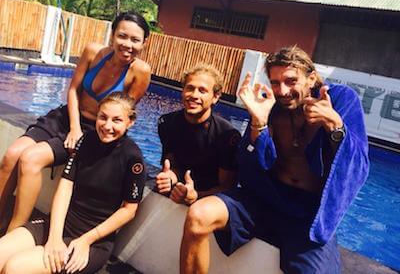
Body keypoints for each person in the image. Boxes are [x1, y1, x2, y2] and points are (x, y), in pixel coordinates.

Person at [180, 46, 369, 273]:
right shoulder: (271, 107)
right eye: (275, 82)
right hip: (264, 198)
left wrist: (336, 127)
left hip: (307, 215)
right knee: (198, 216)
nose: (282, 90)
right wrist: (258, 122)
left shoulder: (338, 100)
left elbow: (360, 166)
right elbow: (249, 169)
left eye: (291, 81)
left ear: (311, 78)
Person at [0, 12, 151, 233]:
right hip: (66, 118)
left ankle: (13, 232)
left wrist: (88, 141)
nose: (127, 44)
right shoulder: (93, 52)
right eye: (122, 36)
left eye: (135, 40)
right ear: (112, 35)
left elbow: (123, 113)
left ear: (144, 43)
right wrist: (74, 127)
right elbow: (73, 89)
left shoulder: (140, 72)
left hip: (94, 131)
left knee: (30, 160)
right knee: (12, 155)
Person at [0, 91, 147, 274]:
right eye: (103, 117)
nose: (107, 126)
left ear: (130, 122)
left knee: (14, 268)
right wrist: (54, 237)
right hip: (60, 225)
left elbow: (129, 210)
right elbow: (65, 187)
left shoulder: (132, 157)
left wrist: (86, 240)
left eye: (116, 120)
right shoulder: (86, 140)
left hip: (91, 242)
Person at [155, 63, 241, 206]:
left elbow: (227, 188)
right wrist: (169, 178)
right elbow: (173, 165)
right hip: (181, 189)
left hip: (209, 197)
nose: (194, 95)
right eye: (190, 88)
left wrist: (195, 196)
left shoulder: (227, 135)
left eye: (202, 91)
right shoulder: (167, 123)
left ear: (215, 97)